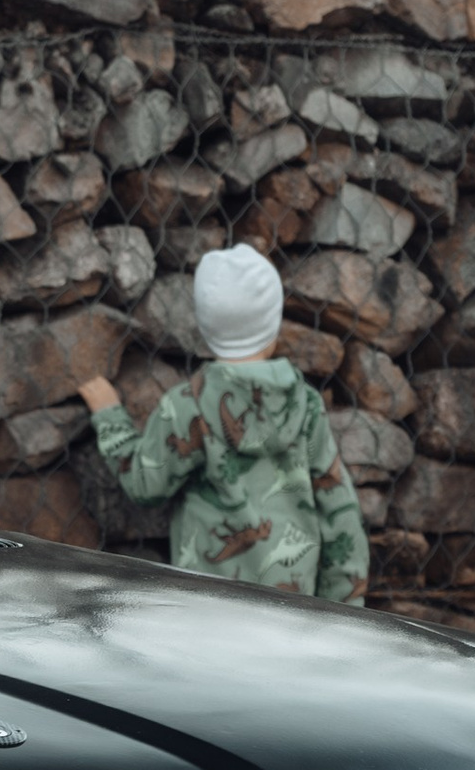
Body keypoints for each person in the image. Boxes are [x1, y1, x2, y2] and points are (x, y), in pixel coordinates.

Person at [76, 244, 369, 604]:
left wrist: (109, 417)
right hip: (295, 614)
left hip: (208, 612)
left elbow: (145, 483)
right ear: (274, 324)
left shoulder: (188, 405)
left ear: (203, 326)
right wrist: (347, 613)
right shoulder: (306, 404)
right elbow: (339, 509)